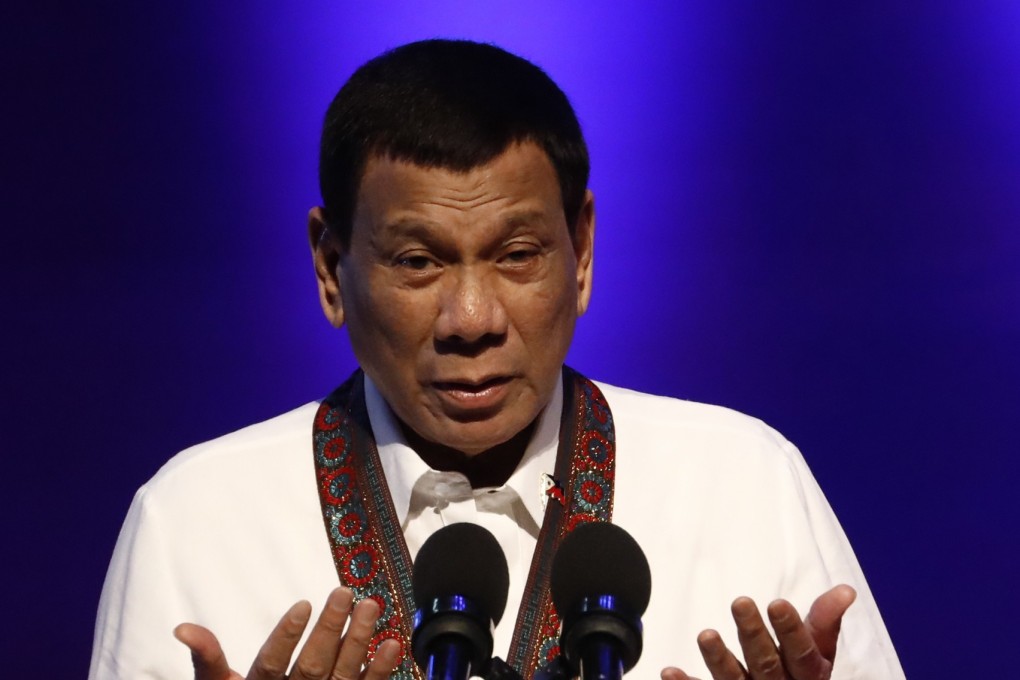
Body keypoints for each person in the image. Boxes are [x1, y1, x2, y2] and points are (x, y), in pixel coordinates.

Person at [89, 39, 904, 680]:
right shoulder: (194, 521)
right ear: (330, 267)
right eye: (417, 263)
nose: (471, 320)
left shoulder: (742, 482)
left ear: (581, 252)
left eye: (517, 255)